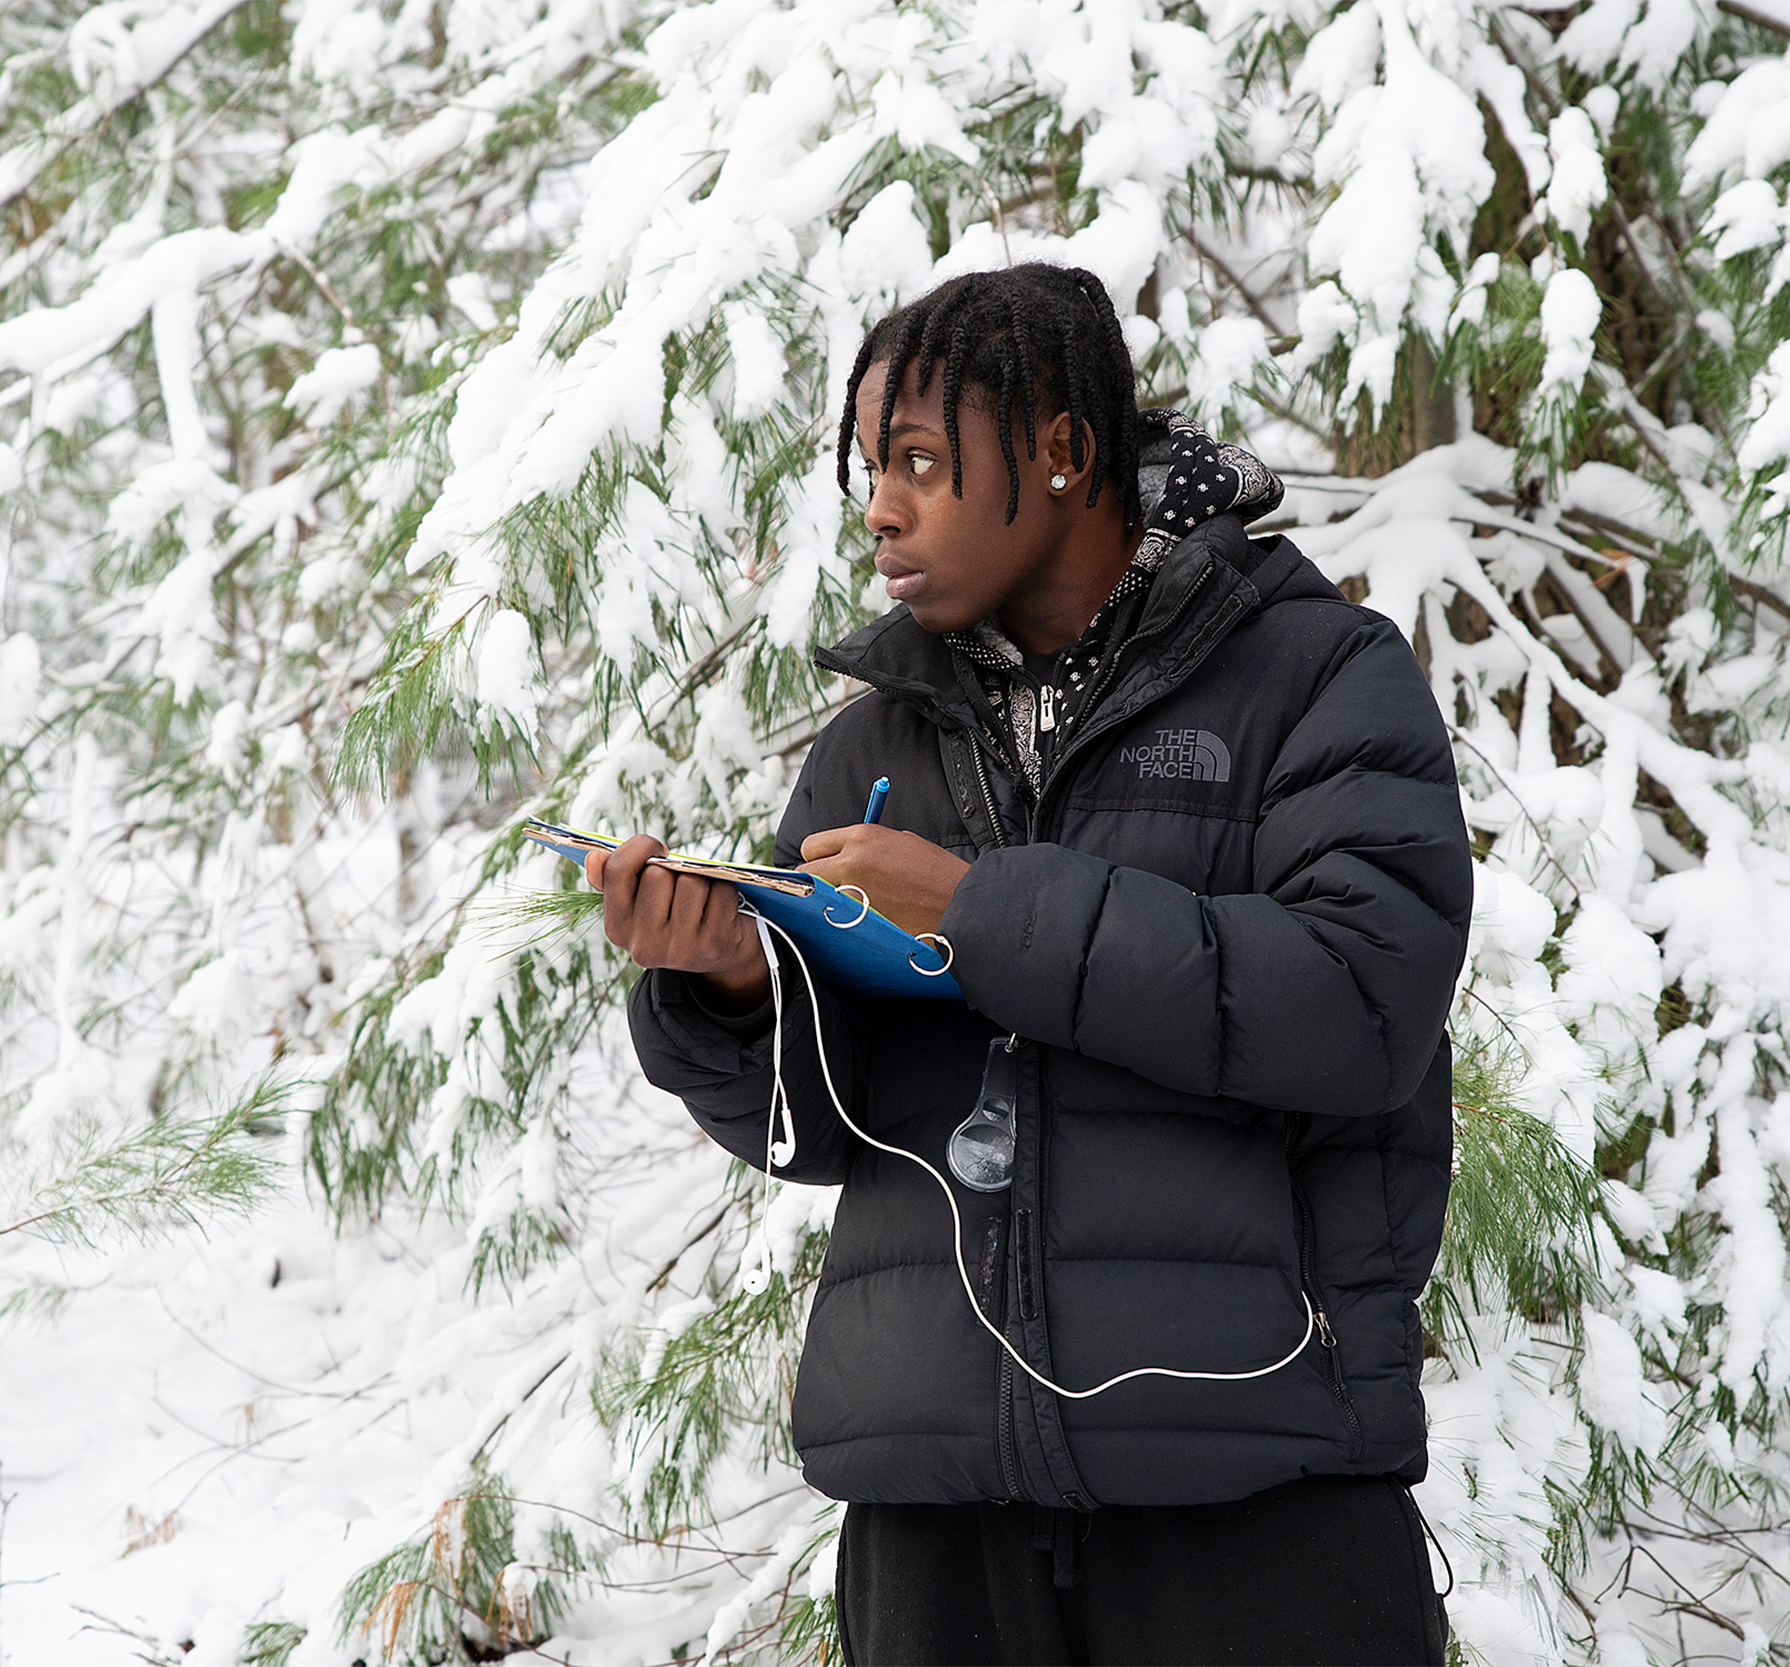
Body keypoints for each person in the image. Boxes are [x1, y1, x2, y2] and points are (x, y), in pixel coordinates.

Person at [585, 262, 1471, 1665]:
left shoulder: (1316, 677)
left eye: (923, 463)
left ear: (1062, 452)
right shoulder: (873, 745)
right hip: (941, 1526)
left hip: (1255, 1499)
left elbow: (1361, 1007)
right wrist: (731, 987)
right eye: (872, 468)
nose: (880, 508)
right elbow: (823, 1129)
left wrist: (983, 913)